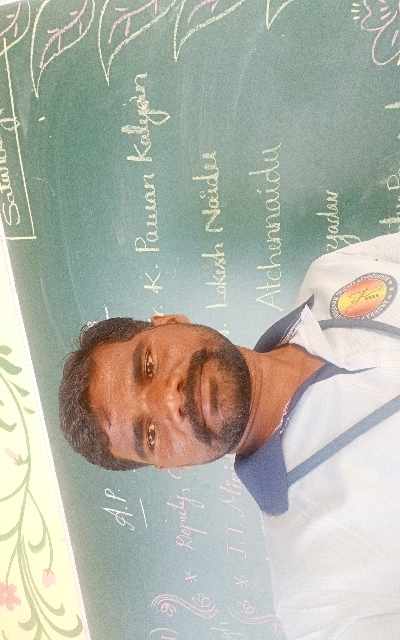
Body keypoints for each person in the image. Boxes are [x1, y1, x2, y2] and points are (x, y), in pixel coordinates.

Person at [59, 232, 400, 639]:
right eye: (149, 434)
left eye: (148, 365)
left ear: (170, 322)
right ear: (168, 464)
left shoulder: (332, 276)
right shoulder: (318, 599)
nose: (169, 399)